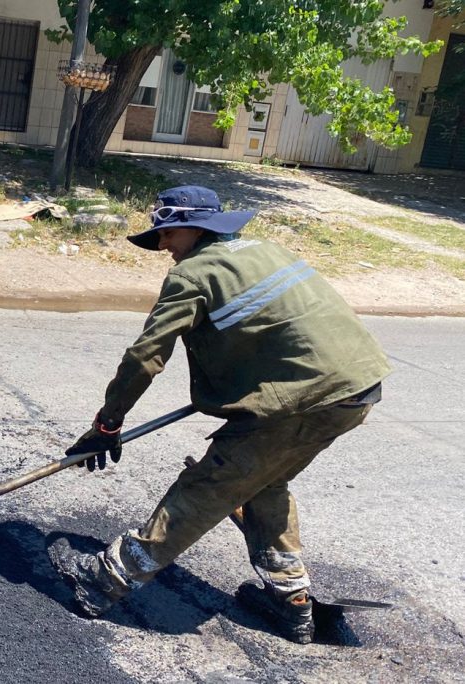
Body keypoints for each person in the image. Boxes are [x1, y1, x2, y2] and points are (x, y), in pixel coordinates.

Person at [47, 185, 390, 644]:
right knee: (264, 483)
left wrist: (108, 424)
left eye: (168, 234)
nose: (163, 245)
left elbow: (146, 356)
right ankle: (291, 599)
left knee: (207, 488)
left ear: (196, 228)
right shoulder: (268, 250)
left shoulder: (193, 274)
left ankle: (105, 580)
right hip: (357, 389)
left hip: (302, 401)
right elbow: (285, 328)